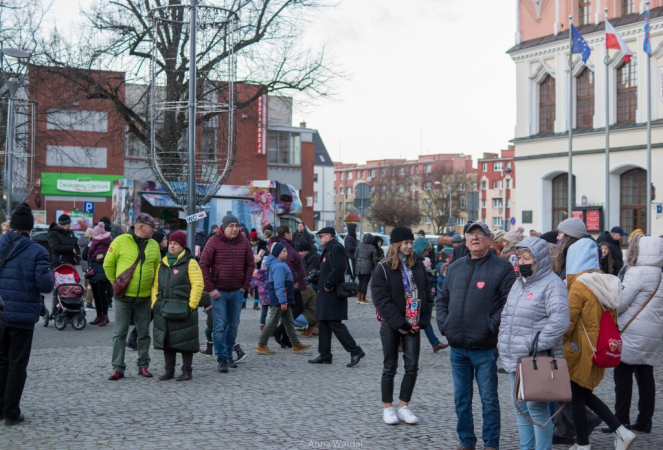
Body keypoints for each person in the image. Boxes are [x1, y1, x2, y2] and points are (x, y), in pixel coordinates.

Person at [437, 222, 517, 450]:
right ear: (465, 240)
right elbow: (442, 300)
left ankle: (491, 444)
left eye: (479, 234)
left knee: (489, 399)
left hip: (484, 347)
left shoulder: (502, 268)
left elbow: (508, 305)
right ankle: (466, 441)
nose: (474, 238)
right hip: (457, 347)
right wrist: (445, 324)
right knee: (461, 399)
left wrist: (489, 326)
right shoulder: (455, 267)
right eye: (470, 234)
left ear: (489, 240)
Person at [563, 239, 636, 450]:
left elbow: (567, 322)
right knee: (581, 394)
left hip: (578, 350)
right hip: (599, 347)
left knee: (577, 396)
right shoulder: (604, 283)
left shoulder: (578, 286)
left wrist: (557, 344)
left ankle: (588, 443)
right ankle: (615, 432)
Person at [497, 237, 569, 450]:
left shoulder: (553, 284)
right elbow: (506, 316)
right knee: (521, 408)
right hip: (514, 357)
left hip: (537, 358)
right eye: (519, 258)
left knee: (537, 410)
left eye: (527, 258)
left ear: (540, 259)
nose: (521, 262)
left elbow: (560, 320)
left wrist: (535, 344)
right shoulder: (519, 284)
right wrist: (503, 342)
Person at [600, 234, 663, 435]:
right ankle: (645, 420)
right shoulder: (660, 273)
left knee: (623, 375)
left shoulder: (637, 272)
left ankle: (620, 420)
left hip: (632, 330)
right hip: (652, 331)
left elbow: (621, 301)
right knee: (645, 375)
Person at [371, 227, 434, 425]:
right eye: (405, 243)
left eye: (410, 242)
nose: (409, 246)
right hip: (393, 324)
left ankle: (404, 405)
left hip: (413, 323)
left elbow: (426, 292)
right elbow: (381, 300)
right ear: (396, 244)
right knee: (390, 366)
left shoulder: (418, 264)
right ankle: (388, 407)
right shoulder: (383, 267)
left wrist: (422, 320)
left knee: (412, 366)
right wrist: (400, 323)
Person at [0, 203, 54, 426]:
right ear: (30, 229)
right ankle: (12, 413)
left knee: (1, 362)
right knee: (17, 366)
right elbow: (45, 285)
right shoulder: (38, 251)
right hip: (22, 317)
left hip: (1, 315)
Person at [104, 213, 161, 380]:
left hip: (144, 297)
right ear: (141, 227)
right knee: (120, 332)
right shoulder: (120, 241)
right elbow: (108, 264)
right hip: (123, 296)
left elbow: (157, 268)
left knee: (144, 332)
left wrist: (154, 289)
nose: (154, 230)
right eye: (152, 227)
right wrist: (115, 283)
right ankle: (118, 367)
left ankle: (143, 365)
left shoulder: (154, 245)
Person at [199, 214, 254, 374]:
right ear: (224, 227)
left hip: (237, 291)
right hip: (219, 292)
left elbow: (250, 264)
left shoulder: (244, 242)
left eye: (237, 226)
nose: (235, 229)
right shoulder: (213, 241)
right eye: (231, 226)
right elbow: (203, 264)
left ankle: (229, 354)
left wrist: (245, 285)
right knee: (219, 327)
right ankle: (221, 358)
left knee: (233, 326)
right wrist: (211, 289)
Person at [151, 231, 203, 381]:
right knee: (167, 340)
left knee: (185, 340)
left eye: (176, 244)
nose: (172, 246)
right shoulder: (163, 262)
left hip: (183, 308)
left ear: (182, 246)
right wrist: (155, 303)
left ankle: (187, 371)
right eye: (171, 243)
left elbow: (198, 284)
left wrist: (192, 305)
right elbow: (155, 285)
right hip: (164, 307)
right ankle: (169, 370)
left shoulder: (190, 262)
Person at [309, 227, 365, 367]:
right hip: (325, 293)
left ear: (329, 236)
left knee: (334, 323)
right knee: (323, 323)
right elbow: (328, 268)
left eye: (321, 236)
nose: (319, 239)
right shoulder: (328, 249)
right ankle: (325, 354)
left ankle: (355, 350)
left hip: (332, 293)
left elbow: (340, 268)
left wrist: (328, 283)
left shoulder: (336, 248)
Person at [255, 243, 311, 355]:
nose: (287, 253)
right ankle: (261, 344)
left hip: (283, 299)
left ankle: (295, 344)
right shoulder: (279, 266)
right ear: (277, 253)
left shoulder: (279, 264)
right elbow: (279, 285)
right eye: (284, 251)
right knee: (272, 322)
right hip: (280, 300)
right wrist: (282, 301)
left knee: (289, 322)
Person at [269, 226, 308, 348]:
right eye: (290, 232)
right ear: (286, 234)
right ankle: (279, 331)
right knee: (298, 307)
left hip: (292, 282)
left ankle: (286, 338)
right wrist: (295, 279)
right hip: (292, 283)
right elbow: (288, 263)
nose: (292, 234)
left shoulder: (286, 244)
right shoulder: (285, 246)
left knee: (290, 311)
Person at [413, 237, 447, 353]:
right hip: (414, 300)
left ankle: (435, 343)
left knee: (424, 320)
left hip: (420, 299)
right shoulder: (413, 262)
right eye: (426, 250)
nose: (427, 253)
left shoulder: (419, 262)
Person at [86, 222, 113, 326]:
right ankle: (99, 316)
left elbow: (113, 253)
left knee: (102, 295)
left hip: (103, 271)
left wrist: (104, 255)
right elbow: (85, 255)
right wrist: (88, 246)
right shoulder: (94, 241)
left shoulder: (108, 242)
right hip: (94, 272)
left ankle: (104, 316)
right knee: (97, 295)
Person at [297, 241, 320, 337]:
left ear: (306, 250)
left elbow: (310, 273)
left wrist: (303, 282)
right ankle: (309, 324)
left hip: (316, 283)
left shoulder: (314, 258)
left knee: (313, 304)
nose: (299, 253)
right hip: (309, 283)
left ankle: (315, 326)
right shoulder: (305, 257)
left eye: (301, 251)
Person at [355, 233, 379, 305]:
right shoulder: (372, 247)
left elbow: (355, 255)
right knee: (365, 283)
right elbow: (375, 259)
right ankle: (363, 298)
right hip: (367, 266)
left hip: (358, 266)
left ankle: (359, 298)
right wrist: (376, 268)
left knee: (360, 282)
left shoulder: (359, 245)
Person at [249, 229, 269, 310]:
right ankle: (243, 304)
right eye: (251, 241)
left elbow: (264, 253)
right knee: (247, 285)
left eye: (254, 241)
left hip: (258, 268)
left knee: (257, 286)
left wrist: (259, 257)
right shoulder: (247, 244)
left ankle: (256, 303)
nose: (252, 242)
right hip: (249, 267)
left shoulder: (262, 245)